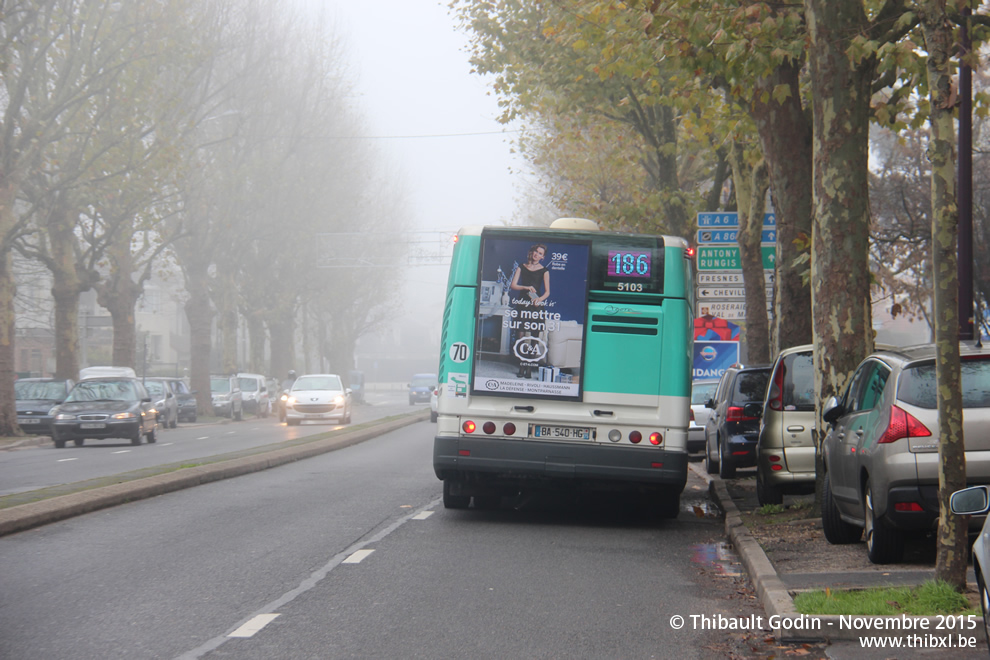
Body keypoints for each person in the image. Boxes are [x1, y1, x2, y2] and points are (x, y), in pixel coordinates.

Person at [509, 244, 550, 378]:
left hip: (536, 305)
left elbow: (547, 292)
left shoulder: (544, 271)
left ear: (543, 257)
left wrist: (539, 300)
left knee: (534, 338)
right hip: (522, 304)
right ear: (532, 252)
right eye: (535, 252)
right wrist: (526, 287)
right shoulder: (521, 267)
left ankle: (528, 368)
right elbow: (513, 285)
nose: (536, 254)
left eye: (540, 253)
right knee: (520, 337)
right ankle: (522, 365)